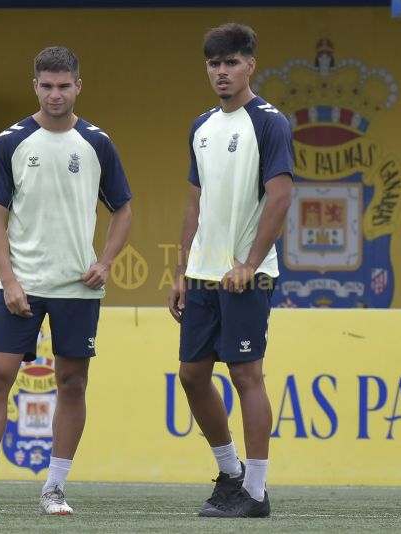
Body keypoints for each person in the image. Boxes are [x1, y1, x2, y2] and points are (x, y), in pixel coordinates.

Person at [0, 46, 132, 516]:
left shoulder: (98, 142)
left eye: (64, 85)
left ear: (78, 85)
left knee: (72, 384)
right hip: (22, 285)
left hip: (77, 287)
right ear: (35, 86)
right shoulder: (10, 141)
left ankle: (54, 488)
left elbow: (124, 208)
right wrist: (9, 279)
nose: (56, 94)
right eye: (47, 86)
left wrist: (107, 261)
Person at [168, 23, 293, 518]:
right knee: (192, 376)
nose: (222, 72)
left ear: (250, 65)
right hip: (201, 274)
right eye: (214, 64)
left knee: (246, 376)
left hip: (248, 274)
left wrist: (249, 262)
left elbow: (281, 197)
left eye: (232, 62)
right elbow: (194, 203)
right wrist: (180, 271)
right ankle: (231, 473)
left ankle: (257, 493)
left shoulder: (269, 122)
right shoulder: (201, 126)